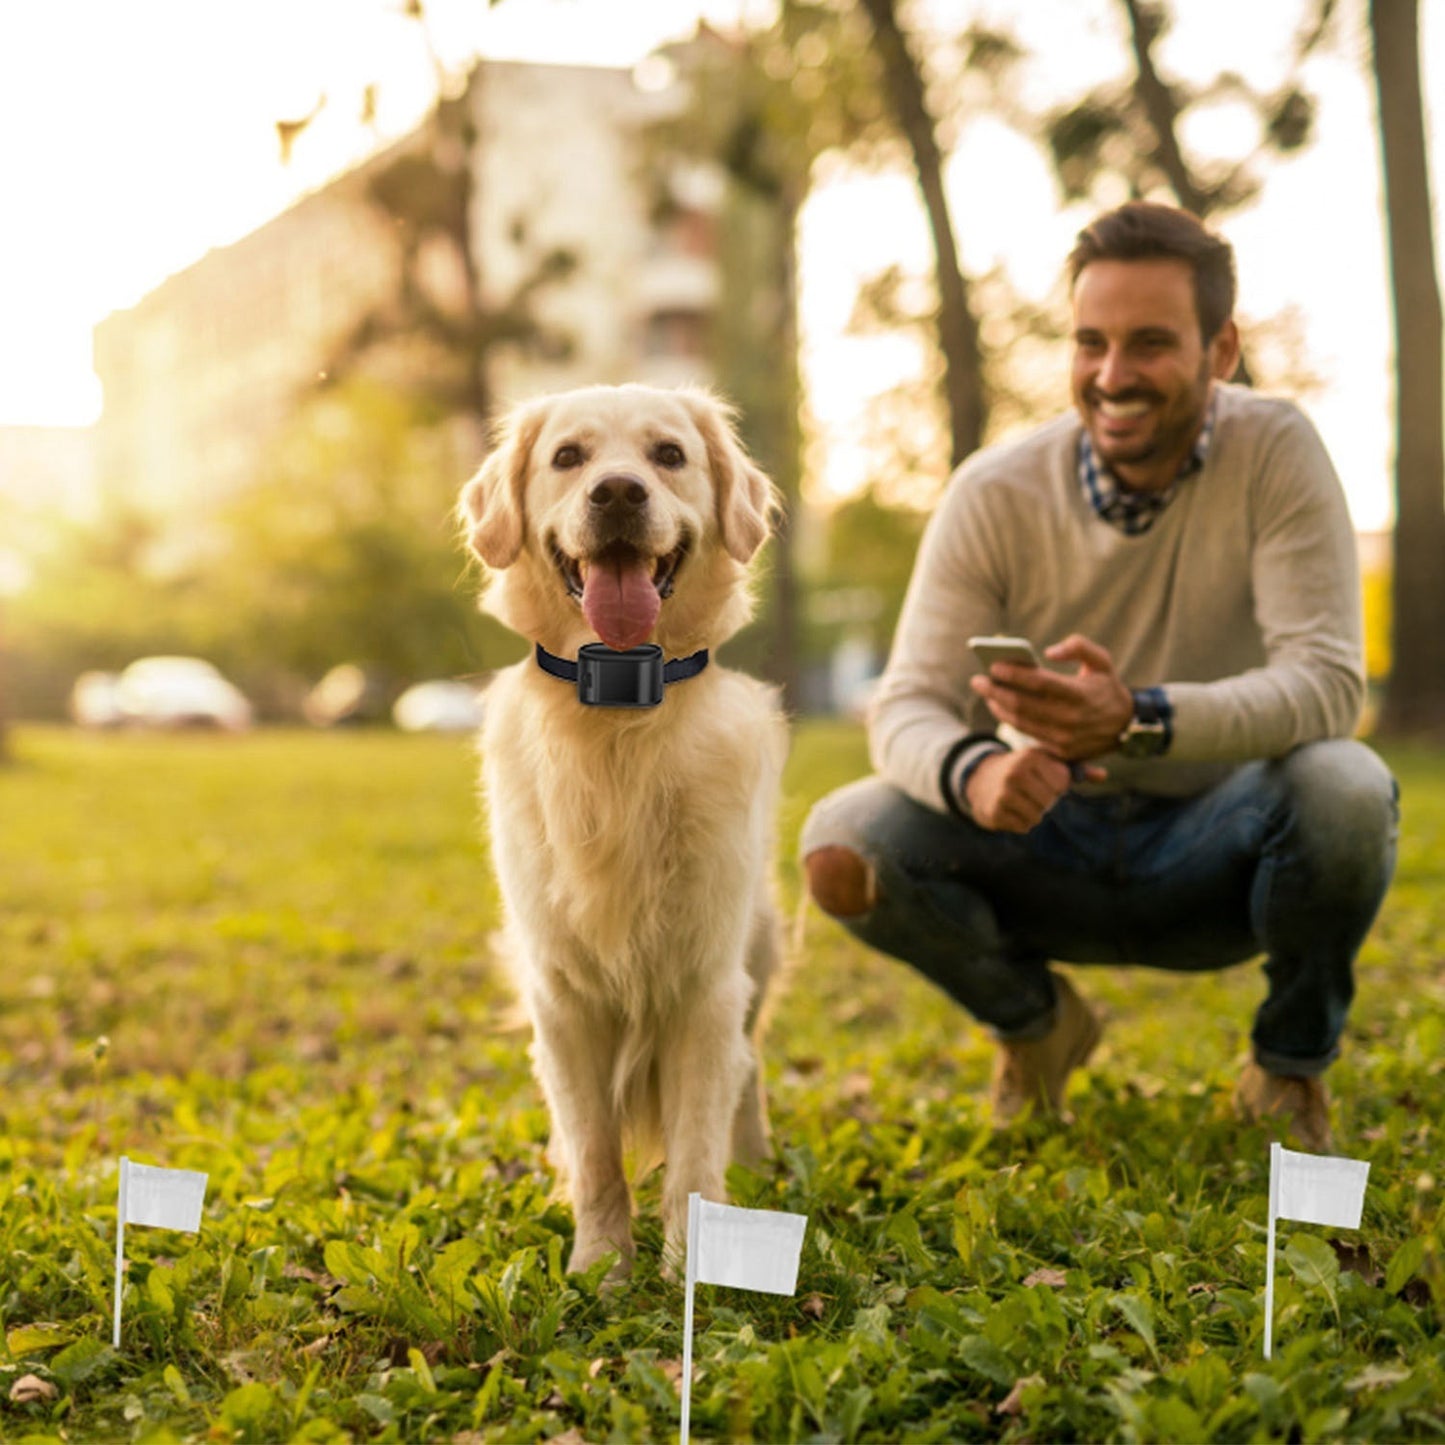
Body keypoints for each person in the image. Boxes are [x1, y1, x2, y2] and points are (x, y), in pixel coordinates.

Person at [800, 201, 1398, 1150]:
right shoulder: (992, 492)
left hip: (1220, 847)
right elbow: (906, 702)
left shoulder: (1275, 451)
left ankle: (1287, 1068)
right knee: (844, 840)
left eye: (1150, 343)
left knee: (1347, 788)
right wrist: (978, 773)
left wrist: (1139, 716)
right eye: (1089, 342)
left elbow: (1328, 683)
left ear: (1220, 349)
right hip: (1046, 843)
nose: (1111, 376)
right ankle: (1036, 1029)